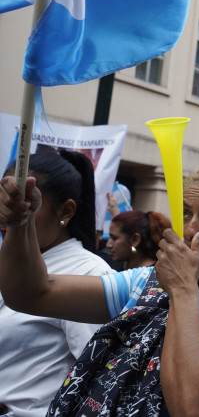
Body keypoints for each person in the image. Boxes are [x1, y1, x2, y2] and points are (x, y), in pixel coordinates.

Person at [0, 165, 199, 417]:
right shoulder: (145, 281)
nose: (190, 228)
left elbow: (194, 406)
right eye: (184, 213)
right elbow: (32, 294)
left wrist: (183, 289)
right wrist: (20, 221)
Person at [0, 151, 114, 417]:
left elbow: (98, 378)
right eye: (3, 198)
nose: (7, 210)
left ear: (65, 210)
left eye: (23, 202)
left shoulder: (90, 275)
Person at [107, 210, 171, 269]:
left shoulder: (157, 276)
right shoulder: (111, 267)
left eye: (114, 238)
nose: (108, 245)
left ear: (135, 240)